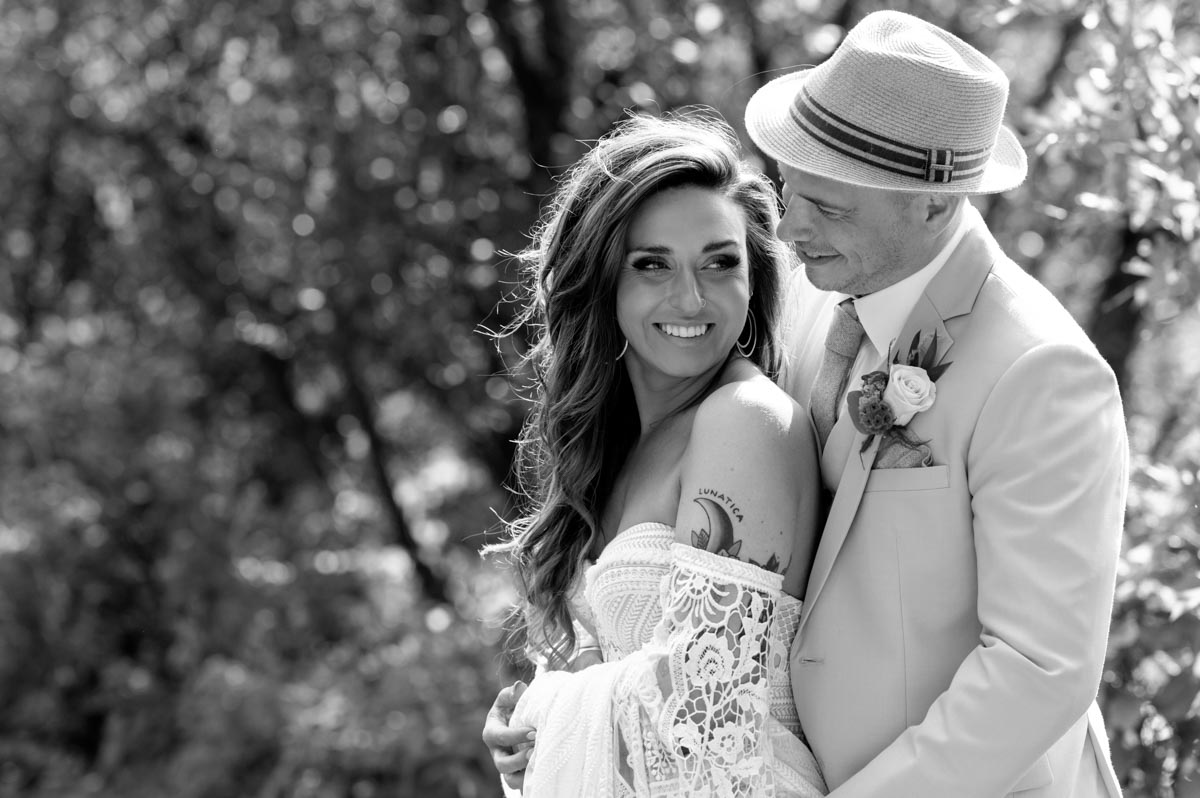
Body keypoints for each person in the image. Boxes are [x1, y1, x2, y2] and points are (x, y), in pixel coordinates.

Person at [738, 10, 1127, 797]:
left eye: (830, 207)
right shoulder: (814, 294)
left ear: (934, 204)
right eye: (789, 190)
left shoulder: (1040, 372)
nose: (790, 226)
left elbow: (1038, 668)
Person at [482, 112, 828, 797]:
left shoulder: (742, 421)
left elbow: (706, 724)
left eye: (720, 263)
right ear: (602, 280)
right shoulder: (617, 443)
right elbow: (610, 668)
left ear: (755, 276)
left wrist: (552, 715)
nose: (691, 297)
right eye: (652, 265)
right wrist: (524, 729)